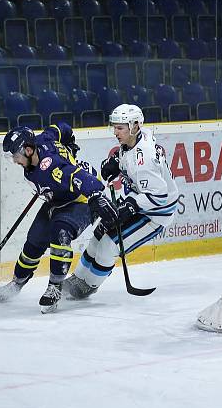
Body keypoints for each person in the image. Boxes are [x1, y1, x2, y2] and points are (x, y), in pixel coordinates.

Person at [0, 123, 118, 313]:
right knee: (34, 241)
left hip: (82, 200)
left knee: (60, 231)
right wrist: (70, 143)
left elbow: (78, 177)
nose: (14, 160)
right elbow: (62, 127)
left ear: (28, 150)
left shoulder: (50, 167)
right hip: (58, 199)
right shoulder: (43, 139)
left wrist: (95, 195)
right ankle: (17, 282)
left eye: (15, 155)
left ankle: (54, 288)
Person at [64, 104, 179, 299]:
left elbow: (159, 196)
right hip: (140, 201)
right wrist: (117, 160)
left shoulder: (145, 161)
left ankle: (89, 285)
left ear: (134, 126)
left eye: (120, 128)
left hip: (156, 213)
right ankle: (78, 278)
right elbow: (130, 154)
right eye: (114, 127)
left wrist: (131, 205)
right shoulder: (137, 138)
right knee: (100, 232)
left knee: (110, 245)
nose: (115, 132)